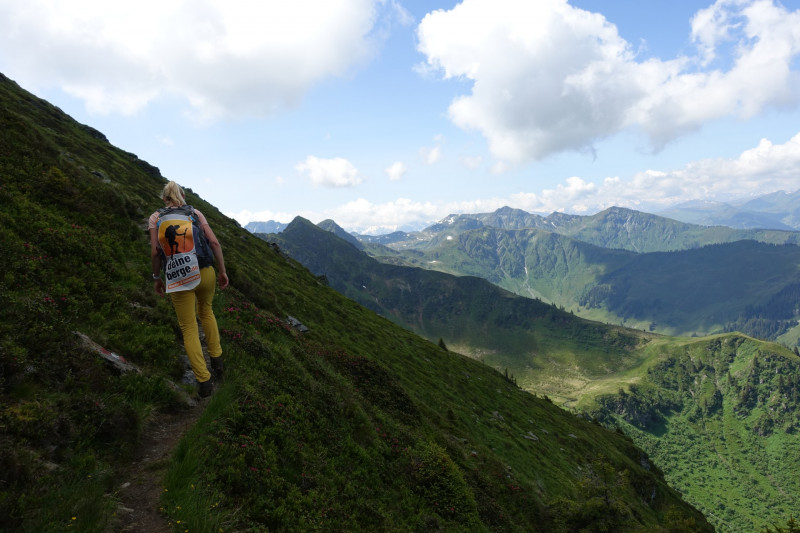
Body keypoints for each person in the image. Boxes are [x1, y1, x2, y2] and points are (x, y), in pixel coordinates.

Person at [148, 181, 229, 397]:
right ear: (182, 196)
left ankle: (204, 382)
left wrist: (157, 277)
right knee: (207, 312)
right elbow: (214, 243)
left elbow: (156, 253)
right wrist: (222, 271)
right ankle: (218, 363)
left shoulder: (156, 218)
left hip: (178, 277)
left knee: (189, 327)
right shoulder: (195, 213)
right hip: (205, 272)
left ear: (164, 198)